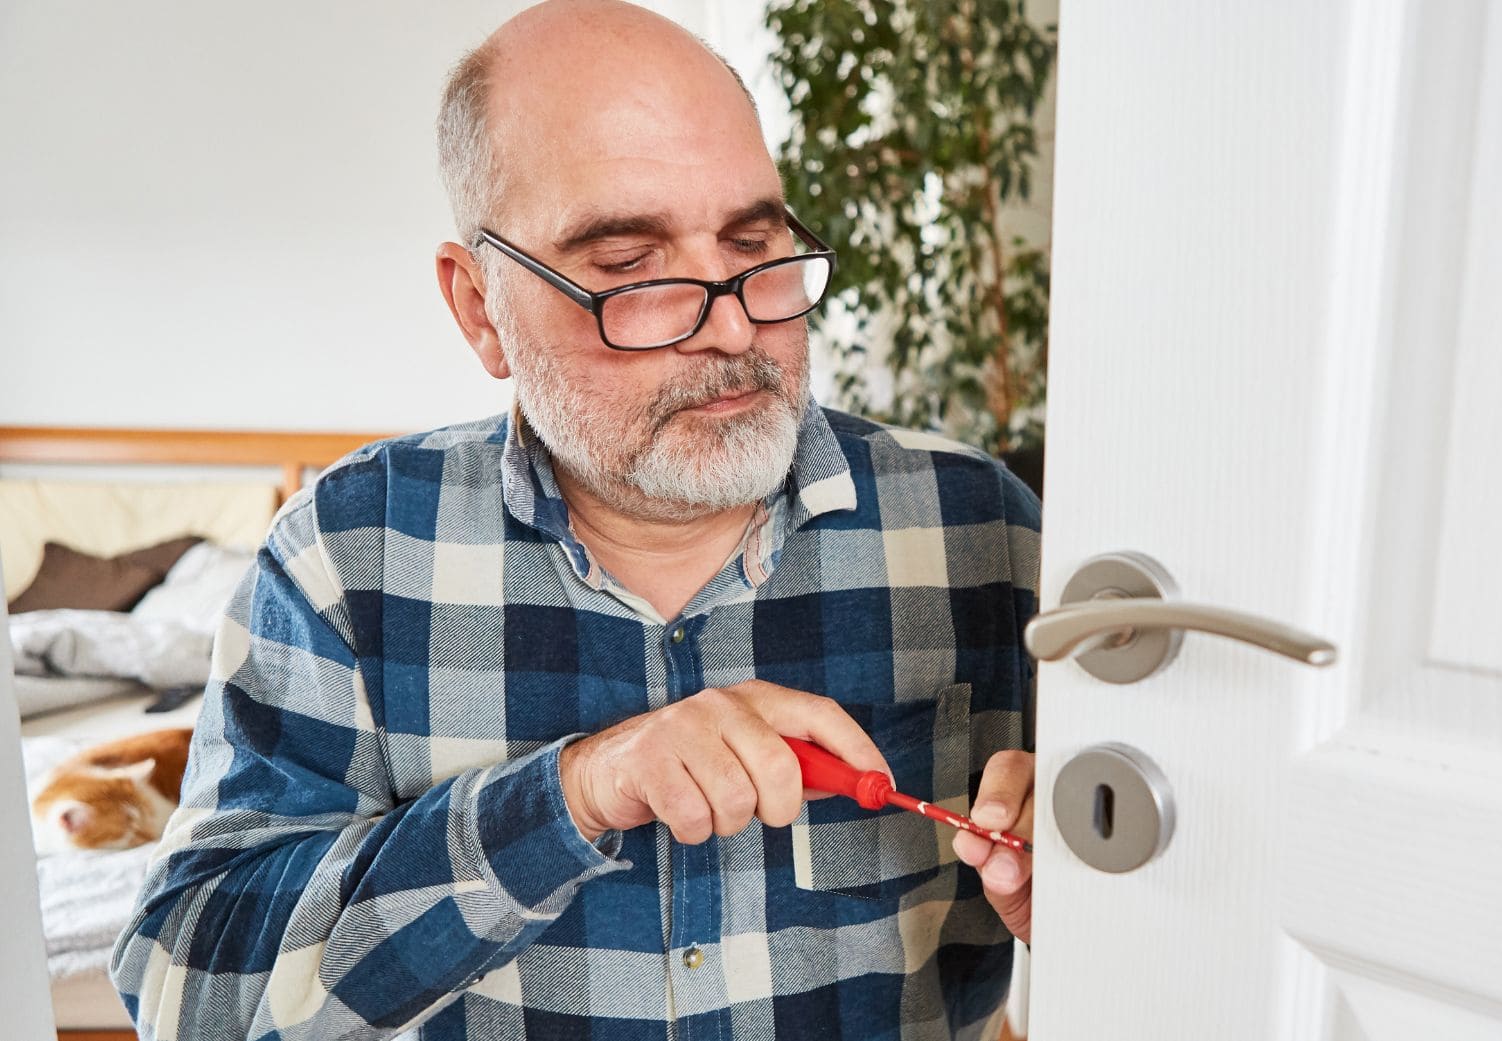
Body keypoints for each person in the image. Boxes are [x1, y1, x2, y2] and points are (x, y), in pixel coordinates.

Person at [107, 2, 1038, 1038]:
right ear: (479, 307)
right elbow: (186, 996)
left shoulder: (978, 529)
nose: (732, 325)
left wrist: (1091, 903)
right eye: (630, 268)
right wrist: (569, 797)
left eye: (753, 242)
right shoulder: (347, 557)